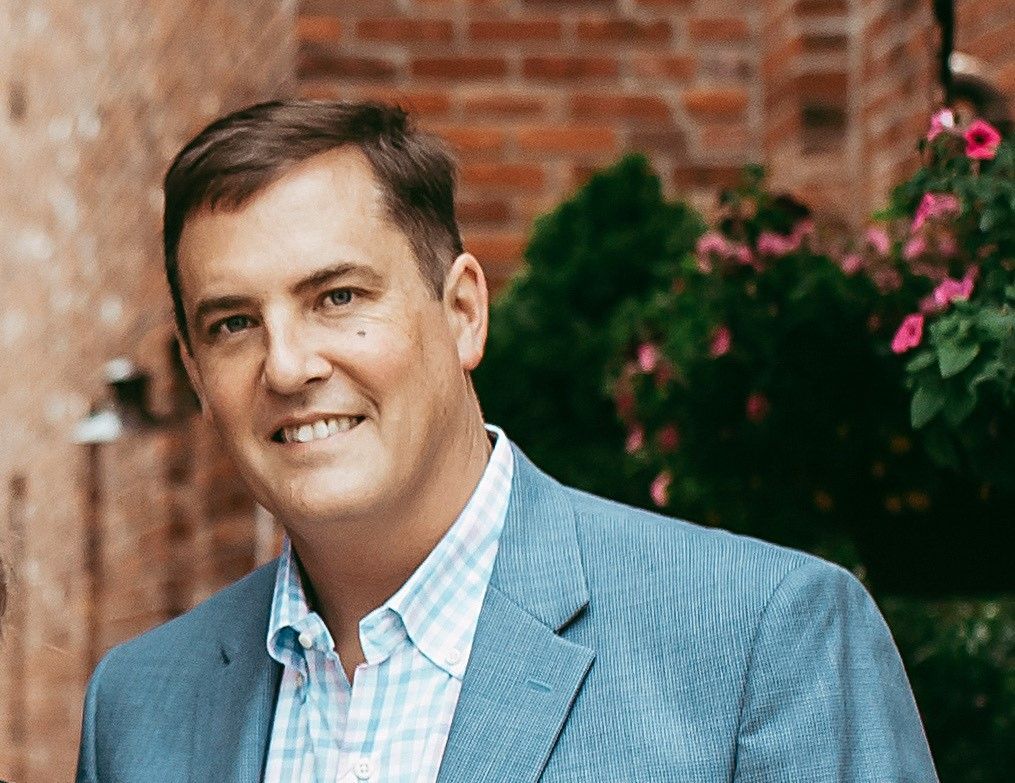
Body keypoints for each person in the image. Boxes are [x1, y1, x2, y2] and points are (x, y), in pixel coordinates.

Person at [76, 100, 938, 782]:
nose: (289, 364)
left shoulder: (763, 642)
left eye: (337, 296)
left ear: (462, 312)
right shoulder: (138, 707)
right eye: (233, 323)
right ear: (195, 375)